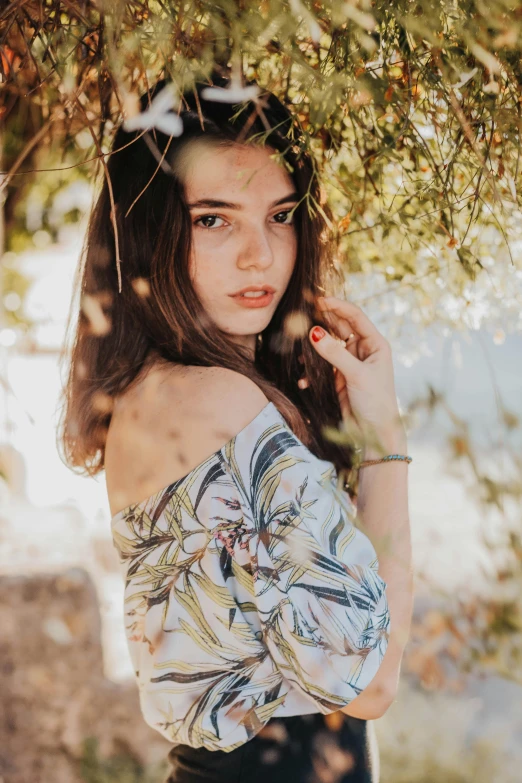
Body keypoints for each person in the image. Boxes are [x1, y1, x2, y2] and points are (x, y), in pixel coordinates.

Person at [58, 69, 413, 783]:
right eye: (214, 218)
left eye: (279, 216)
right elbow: (370, 683)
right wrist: (383, 440)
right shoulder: (216, 402)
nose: (260, 255)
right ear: (152, 230)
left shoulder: (153, 395)